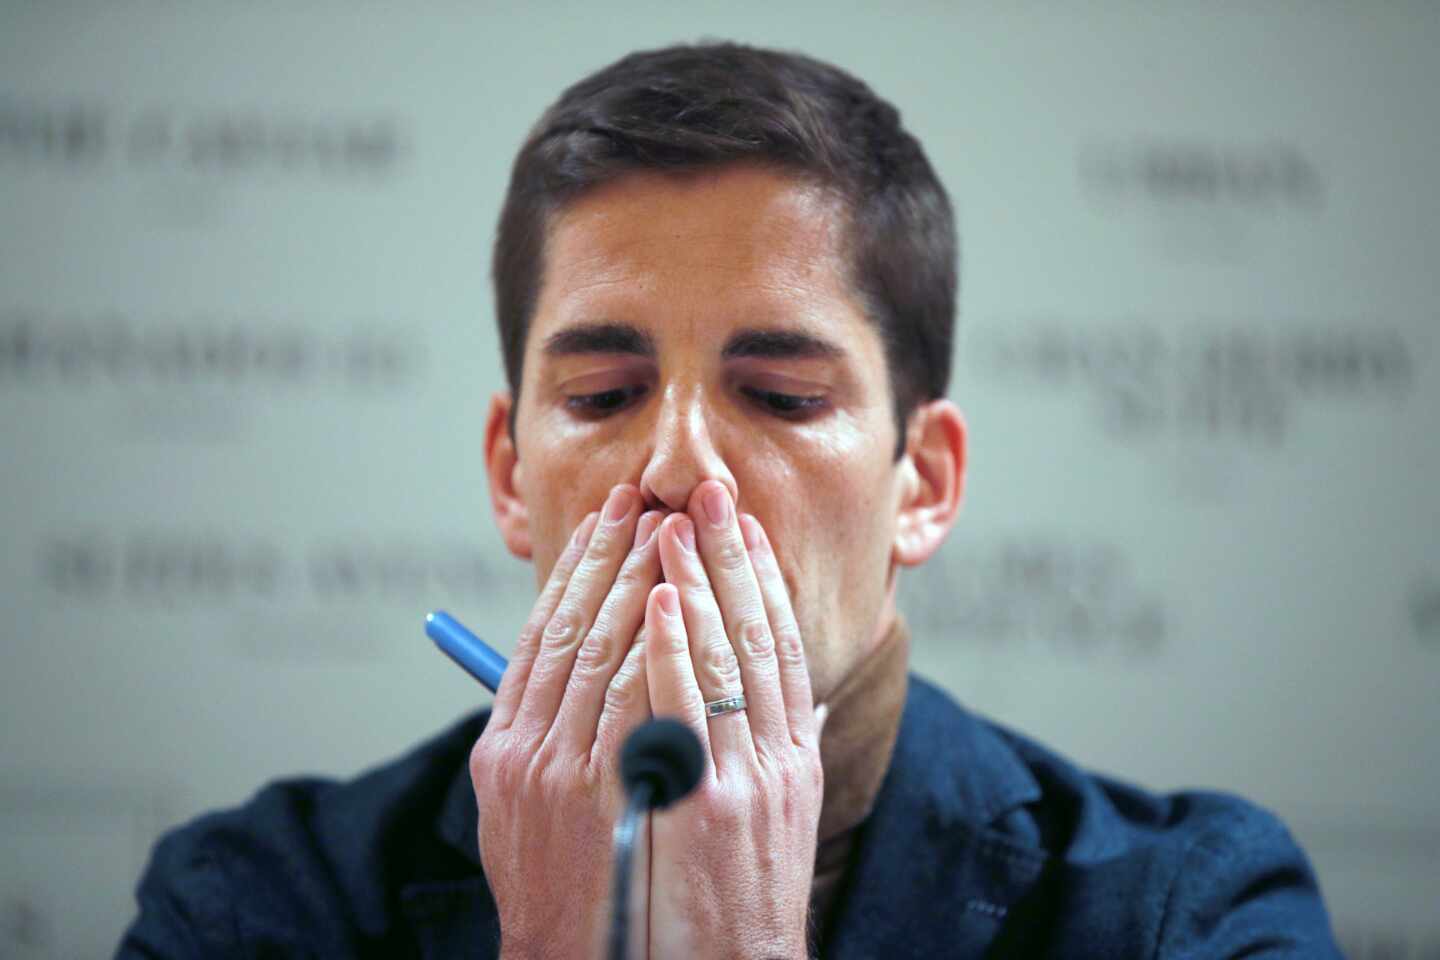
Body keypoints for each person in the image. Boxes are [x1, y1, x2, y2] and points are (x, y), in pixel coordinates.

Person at [116, 42, 1342, 958]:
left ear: (925, 482)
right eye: (604, 394)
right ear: (509, 476)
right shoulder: (250, 905)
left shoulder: (1198, 910)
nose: (678, 466)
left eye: (781, 397)